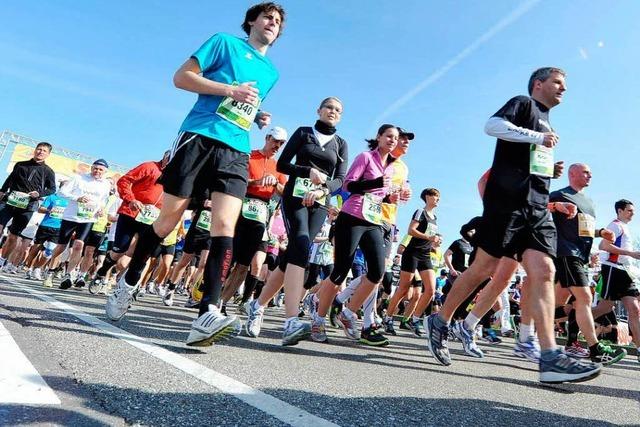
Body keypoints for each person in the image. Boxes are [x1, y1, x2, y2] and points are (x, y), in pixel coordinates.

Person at [105, 2, 286, 349]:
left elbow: (242, 104)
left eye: (277, 22)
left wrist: (256, 114)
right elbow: (181, 78)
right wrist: (230, 90)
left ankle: (208, 311)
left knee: (224, 226)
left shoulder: (271, 72)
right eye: (267, 17)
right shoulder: (223, 42)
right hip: (199, 137)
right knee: (167, 221)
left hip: (236, 148)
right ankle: (128, 281)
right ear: (251, 21)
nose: (272, 23)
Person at [424, 67, 602, 384]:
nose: (564, 89)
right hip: (506, 203)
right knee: (484, 268)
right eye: (557, 83)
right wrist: (537, 137)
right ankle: (440, 320)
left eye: (565, 84)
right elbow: (492, 126)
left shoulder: (548, 123)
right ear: (539, 84)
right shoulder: (523, 103)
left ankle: (549, 357)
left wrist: (549, 168)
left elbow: (529, 159)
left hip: (537, 206)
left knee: (545, 270)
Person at [244, 96, 348, 345]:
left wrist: (324, 190)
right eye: (329, 108)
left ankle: (257, 306)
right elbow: (283, 163)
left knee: (295, 254)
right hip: (295, 199)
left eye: (338, 110)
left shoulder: (341, 143)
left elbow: (340, 179)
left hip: (320, 202)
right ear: (319, 110)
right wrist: (306, 171)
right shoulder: (303, 133)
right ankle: (291, 320)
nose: (333, 112)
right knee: (300, 246)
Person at [310, 124, 398, 346]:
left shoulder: (391, 167)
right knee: (340, 271)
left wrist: (392, 197)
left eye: (395, 138)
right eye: (388, 136)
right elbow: (349, 184)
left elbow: (379, 195)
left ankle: (348, 314)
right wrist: (375, 183)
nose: (392, 140)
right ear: (378, 137)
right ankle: (318, 320)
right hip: (352, 217)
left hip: (373, 221)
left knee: (377, 272)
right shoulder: (365, 157)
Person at [550, 164, 627, 365]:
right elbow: (534, 207)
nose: (590, 175)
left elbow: (584, 230)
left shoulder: (589, 202)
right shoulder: (560, 194)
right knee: (584, 297)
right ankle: (595, 348)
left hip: (582, 255)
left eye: (590, 173)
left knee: (565, 302)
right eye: (585, 172)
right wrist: (556, 206)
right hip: (567, 252)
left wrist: (601, 232)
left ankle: (530, 325)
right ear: (572, 174)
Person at [219, 126, 288, 306]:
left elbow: (284, 193)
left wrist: (275, 185)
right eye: (275, 141)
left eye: (281, 144)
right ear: (267, 138)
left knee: (244, 264)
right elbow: (237, 180)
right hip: (241, 208)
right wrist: (257, 182)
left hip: (261, 214)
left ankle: (223, 303)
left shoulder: (279, 167)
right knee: (228, 257)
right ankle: (210, 296)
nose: (277, 146)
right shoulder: (250, 156)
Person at [89, 152, 170, 291]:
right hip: (130, 213)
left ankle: (131, 286)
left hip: (151, 219)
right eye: (170, 160)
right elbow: (124, 181)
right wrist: (131, 199)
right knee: (119, 250)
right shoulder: (149, 166)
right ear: (165, 158)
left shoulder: (177, 177)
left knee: (143, 254)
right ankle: (102, 272)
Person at [47, 159, 112, 289]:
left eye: (100, 170)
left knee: (78, 245)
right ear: (91, 168)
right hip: (70, 216)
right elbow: (62, 192)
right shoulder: (79, 178)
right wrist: (77, 198)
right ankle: (50, 271)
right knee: (61, 246)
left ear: (105, 172)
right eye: (95, 168)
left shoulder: (105, 184)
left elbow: (103, 200)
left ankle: (69, 275)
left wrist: (100, 209)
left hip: (88, 218)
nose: (97, 171)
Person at [595, 199, 640, 361]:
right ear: (620, 211)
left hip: (625, 272)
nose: (633, 213)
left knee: (634, 309)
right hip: (613, 269)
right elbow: (603, 246)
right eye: (629, 210)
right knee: (605, 308)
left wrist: (631, 256)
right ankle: (575, 320)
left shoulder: (625, 227)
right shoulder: (615, 225)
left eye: (633, 210)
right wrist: (630, 254)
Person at [0, 142, 56, 270]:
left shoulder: (48, 171)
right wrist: (2, 191)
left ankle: (2, 259)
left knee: (13, 236)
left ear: (48, 154)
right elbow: (10, 179)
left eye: (44, 151)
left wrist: (39, 193)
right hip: (10, 200)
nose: (40, 152)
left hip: (28, 205)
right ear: (35, 150)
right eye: (39, 149)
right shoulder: (20, 164)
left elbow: (52, 189)